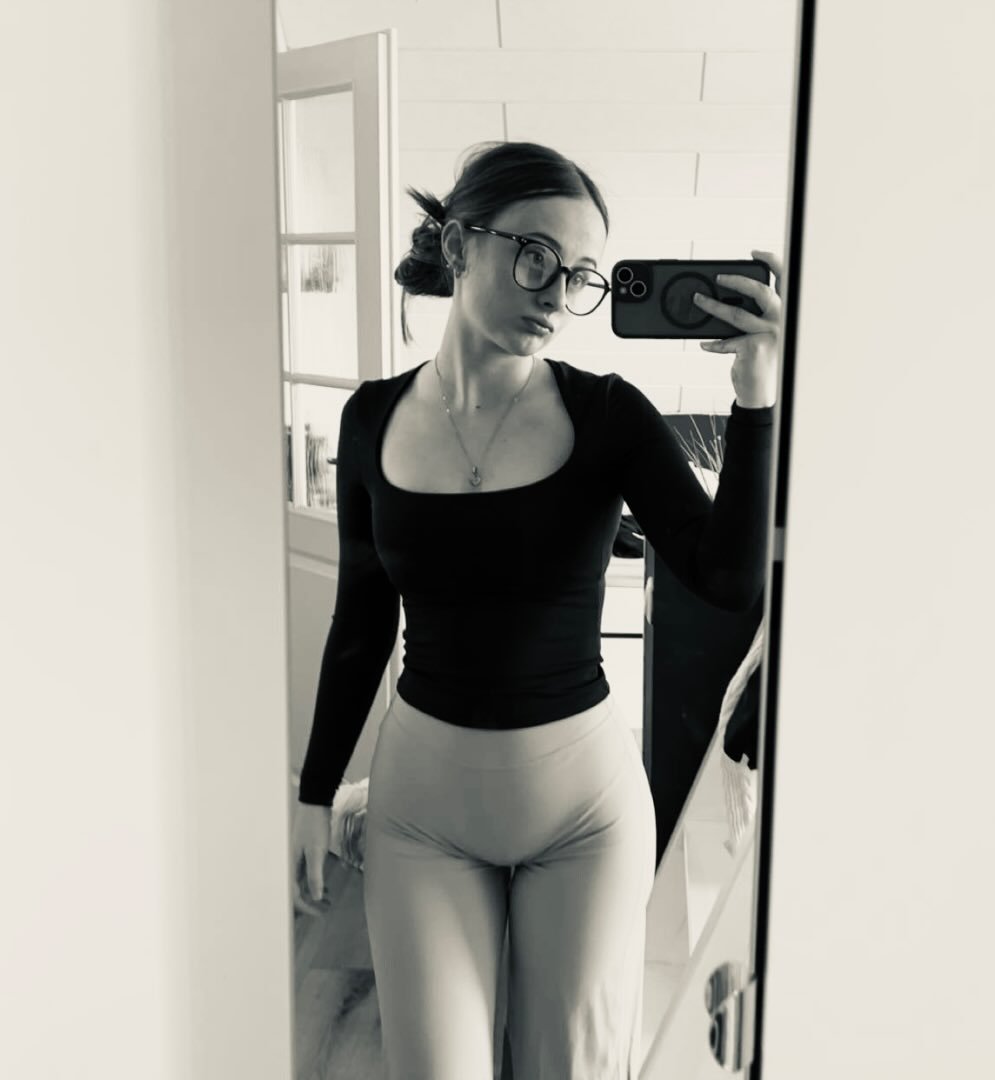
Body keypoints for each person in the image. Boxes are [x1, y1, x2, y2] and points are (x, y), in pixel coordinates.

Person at [290, 140, 782, 1080]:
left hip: (583, 818)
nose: (557, 293)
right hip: (421, 816)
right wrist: (315, 795)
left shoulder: (610, 416)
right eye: (536, 257)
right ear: (457, 244)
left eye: (580, 274)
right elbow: (360, 624)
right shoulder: (370, 419)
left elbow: (726, 580)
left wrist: (754, 397)